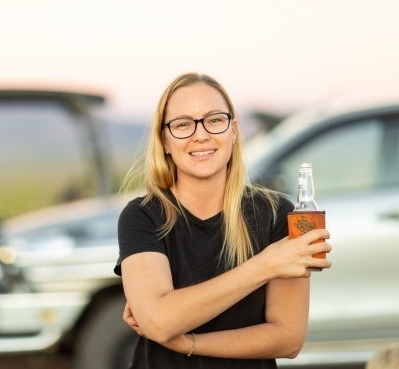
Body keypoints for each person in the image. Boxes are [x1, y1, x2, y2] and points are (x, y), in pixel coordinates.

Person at [114, 73, 332, 368]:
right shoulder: (142, 216)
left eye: (214, 120)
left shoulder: (277, 214)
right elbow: (160, 321)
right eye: (182, 124)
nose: (200, 134)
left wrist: (188, 343)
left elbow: (288, 338)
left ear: (233, 130)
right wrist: (265, 265)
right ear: (164, 140)